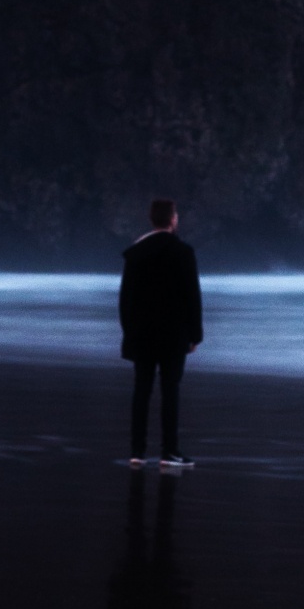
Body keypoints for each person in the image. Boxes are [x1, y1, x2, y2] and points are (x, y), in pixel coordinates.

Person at [119, 198, 203, 468]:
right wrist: (196, 335)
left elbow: (125, 299)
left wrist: (128, 331)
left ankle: (137, 451)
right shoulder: (183, 251)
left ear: (151, 219)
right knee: (170, 391)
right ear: (172, 219)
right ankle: (169, 452)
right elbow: (192, 296)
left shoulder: (136, 253)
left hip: (142, 333)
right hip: (173, 334)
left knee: (141, 390)